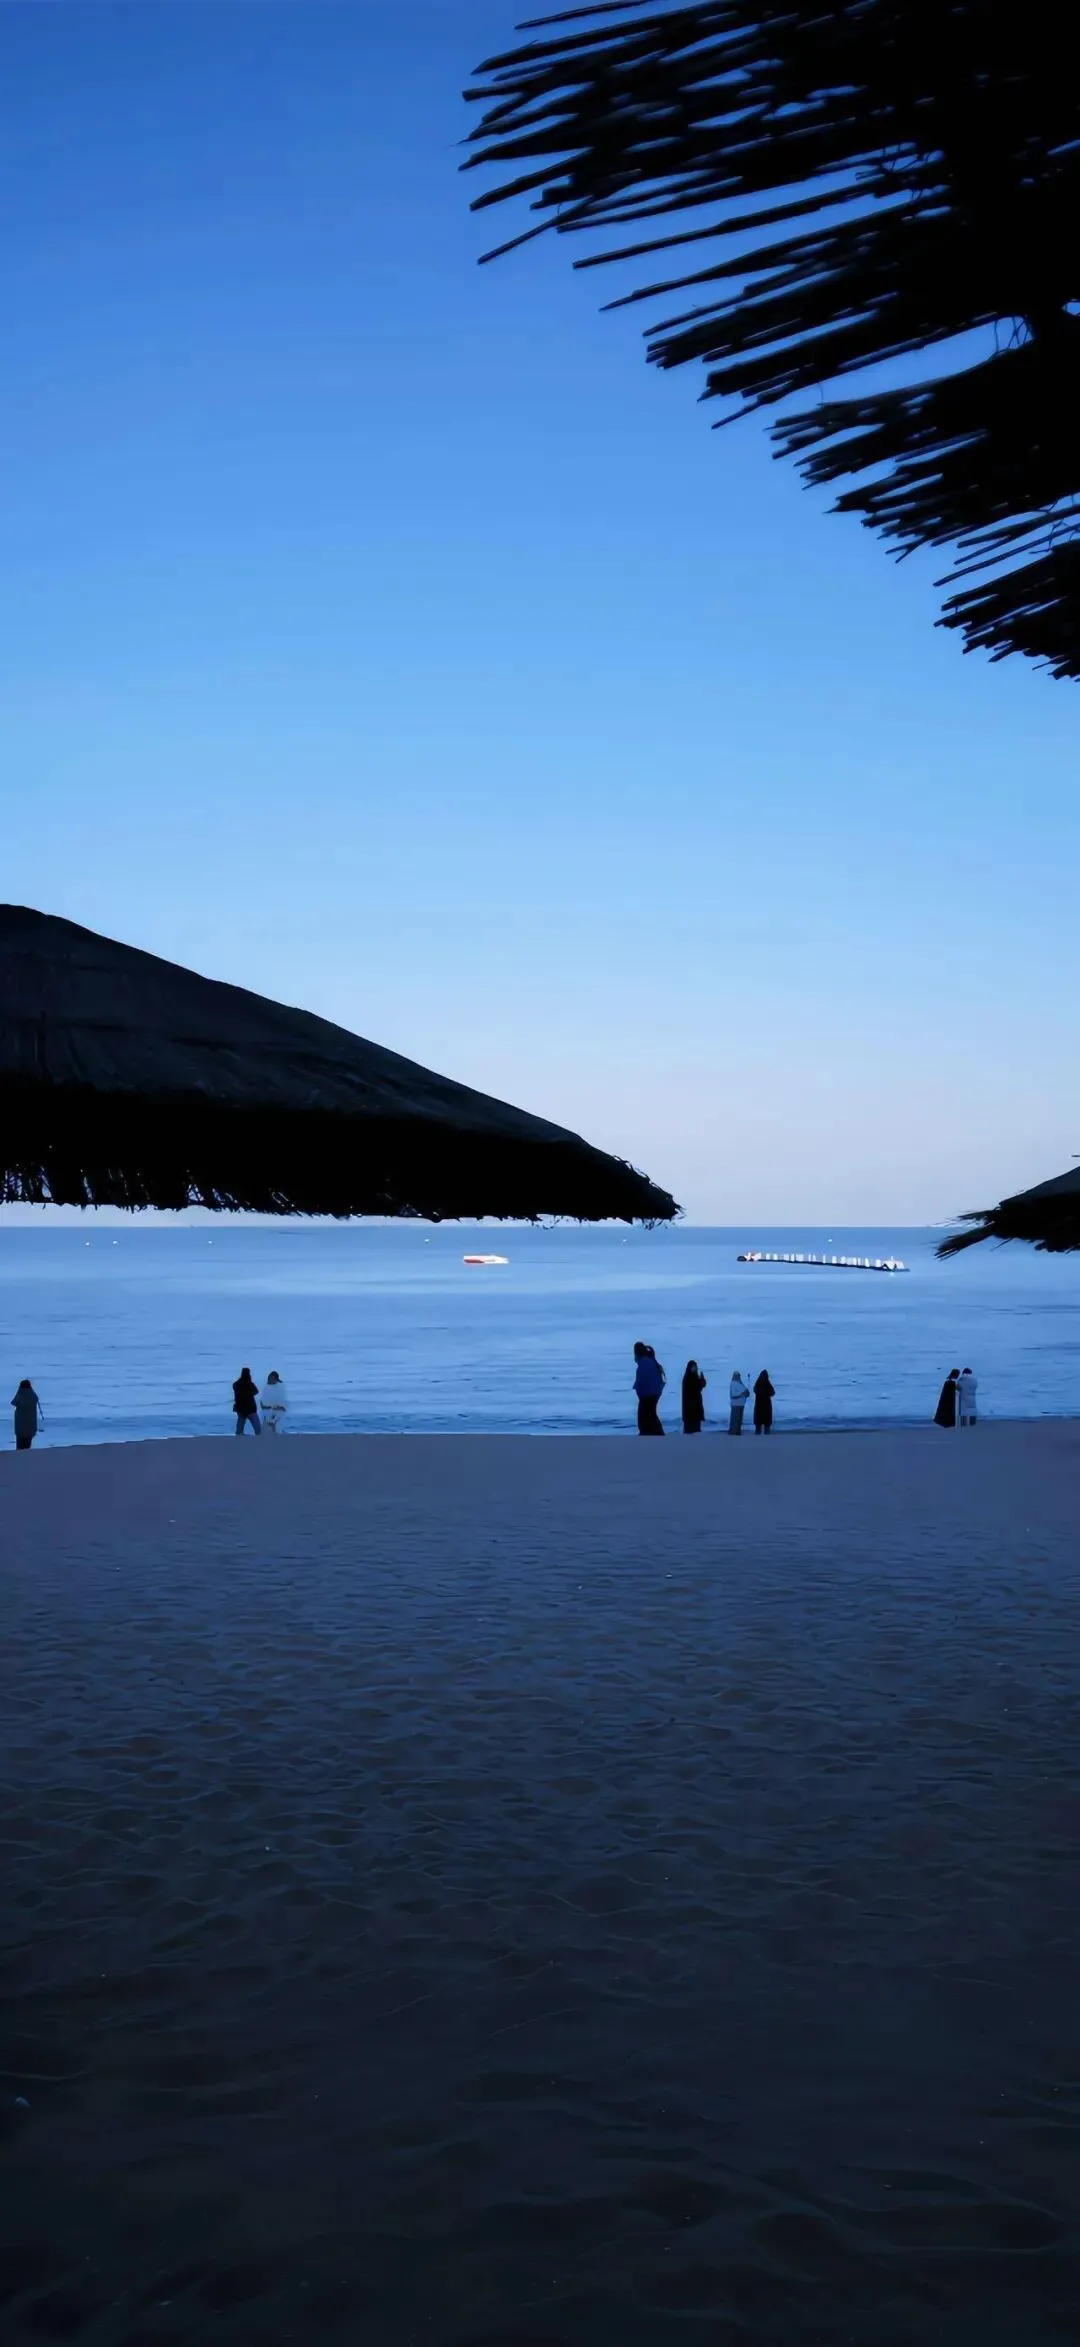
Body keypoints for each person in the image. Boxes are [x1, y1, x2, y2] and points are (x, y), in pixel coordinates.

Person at [633, 1341, 666, 1435]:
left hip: (648, 1393)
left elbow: (642, 1380)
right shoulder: (650, 1360)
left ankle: (649, 1433)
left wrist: (638, 1390)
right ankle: (656, 1433)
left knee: (645, 1415)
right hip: (654, 1392)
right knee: (651, 1414)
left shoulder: (643, 1362)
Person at [11, 1380, 41, 1451]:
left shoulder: (21, 1394)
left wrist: (18, 1391)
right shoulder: (33, 1395)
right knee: (27, 1445)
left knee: (20, 1445)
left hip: (21, 1425)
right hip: (30, 1424)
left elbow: (14, 1402)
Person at [232, 1367, 261, 1436]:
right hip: (250, 1408)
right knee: (258, 1429)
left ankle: (239, 1438)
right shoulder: (249, 1384)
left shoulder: (236, 1384)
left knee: (239, 1429)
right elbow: (256, 1391)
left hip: (241, 1408)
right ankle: (259, 1438)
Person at [681, 1360, 707, 1433]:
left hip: (695, 1403)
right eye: (693, 1367)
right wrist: (701, 1381)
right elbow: (696, 1387)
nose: (695, 1368)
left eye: (695, 1367)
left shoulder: (694, 1376)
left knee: (696, 1424)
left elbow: (700, 1386)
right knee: (690, 1425)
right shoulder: (688, 1377)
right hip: (690, 1404)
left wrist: (702, 1379)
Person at [753, 1370, 775, 1435]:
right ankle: (766, 1435)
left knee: (758, 1423)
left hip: (759, 1405)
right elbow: (772, 1392)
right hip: (766, 1405)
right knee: (767, 1423)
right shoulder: (767, 1383)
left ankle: (757, 1434)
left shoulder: (758, 1383)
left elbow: (754, 1390)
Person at [729, 1370, 750, 1436]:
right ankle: (733, 1432)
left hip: (741, 1404)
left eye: (738, 1375)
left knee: (739, 1420)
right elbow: (733, 1395)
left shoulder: (741, 1383)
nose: (738, 1377)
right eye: (736, 1376)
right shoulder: (733, 1384)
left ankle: (738, 1431)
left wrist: (746, 1393)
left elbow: (745, 1392)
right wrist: (742, 1394)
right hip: (735, 1404)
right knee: (735, 1419)